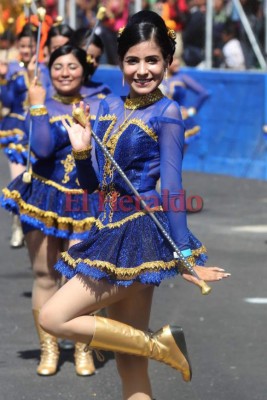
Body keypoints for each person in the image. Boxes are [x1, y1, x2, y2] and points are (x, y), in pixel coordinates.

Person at [39, 11, 230, 400]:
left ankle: (159, 345)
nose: (143, 70)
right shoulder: (107, 106)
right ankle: (155, 344)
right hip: (106, 231)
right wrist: (81, 151)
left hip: (139, 232)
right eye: (133, 60)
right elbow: (93, 185)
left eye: (152, 60)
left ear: (167, 62)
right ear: (121, 61)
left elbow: (173, 187)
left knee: (53, 316)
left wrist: (185, 255)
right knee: (129, 365)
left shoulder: (167, 114)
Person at [1, 44, 102, 377]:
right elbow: (42, 147)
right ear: (49, 70)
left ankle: (83, 347)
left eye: (72, 66)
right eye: (57, 66)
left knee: (82, 280)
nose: (64, 72)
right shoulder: (39, 102)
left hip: (85, 200)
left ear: (84, 69)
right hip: (44, 198)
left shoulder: (101, 105)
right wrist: (36, 104)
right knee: (45, 276)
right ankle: (50, 348)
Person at [0, 23, 50, 248]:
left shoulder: (46, 69)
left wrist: (34, 75)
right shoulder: (11, 69)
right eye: (22, 46)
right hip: (17, 130)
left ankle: (40, 226)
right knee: (18, 179)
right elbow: (8, 101)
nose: (26, 50)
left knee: (42, 180)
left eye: (30, 45)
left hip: (40, 128)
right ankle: (17, 225)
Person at [161, 52, 210, 149]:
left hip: (180, 122)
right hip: (161, 122)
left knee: (176, 159)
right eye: (174, 60)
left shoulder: (182, 78)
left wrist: (191, 111)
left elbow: (204, 93)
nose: (177, 63)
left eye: (178, 59)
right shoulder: (158, 79)